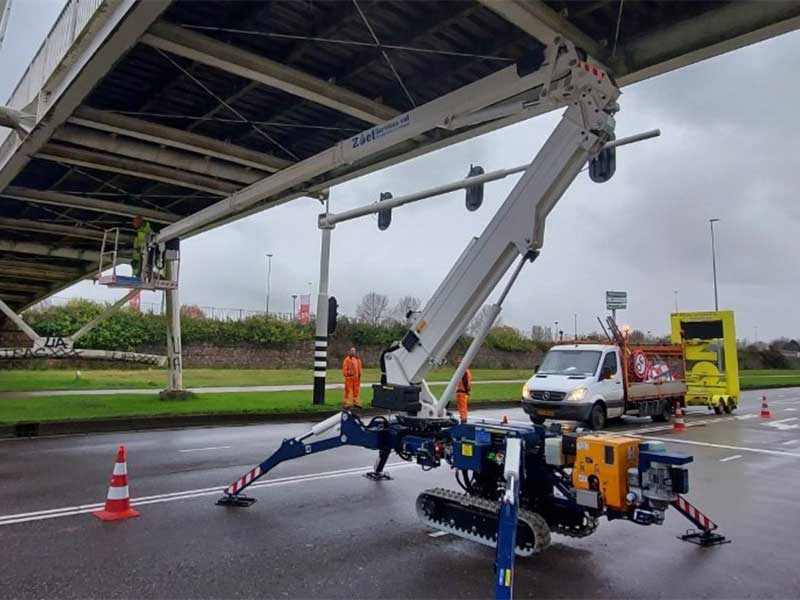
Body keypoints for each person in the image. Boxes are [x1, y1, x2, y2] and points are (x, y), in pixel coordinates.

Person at [454, 356, 473, 423]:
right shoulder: (464, 370)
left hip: (462, 391)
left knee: (462, 407)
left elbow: (465, 381)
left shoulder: (463, 371)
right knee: (462, 407)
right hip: (461, 391)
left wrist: (466, 391)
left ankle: (463, 419)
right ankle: (463, 419)